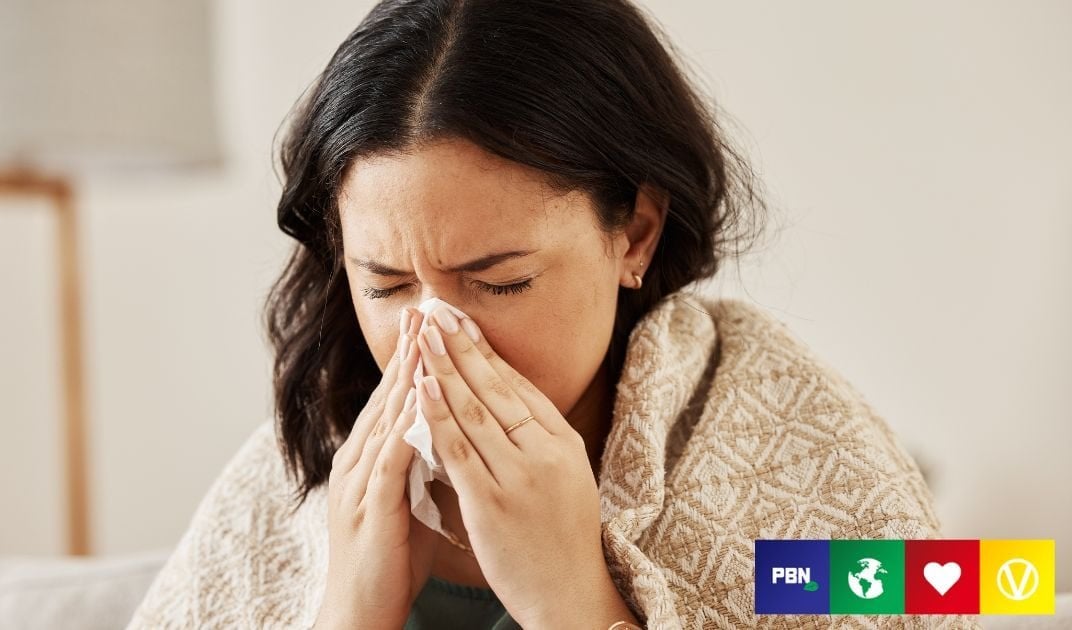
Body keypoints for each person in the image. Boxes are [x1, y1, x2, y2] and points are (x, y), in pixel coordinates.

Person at [127, 1, 978, 628]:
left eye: (499, 282)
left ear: (635, 233)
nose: (436, 336)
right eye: (385, 285)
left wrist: (572, 602)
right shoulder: (296, 470)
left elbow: (960, 588)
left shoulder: (803, 452)